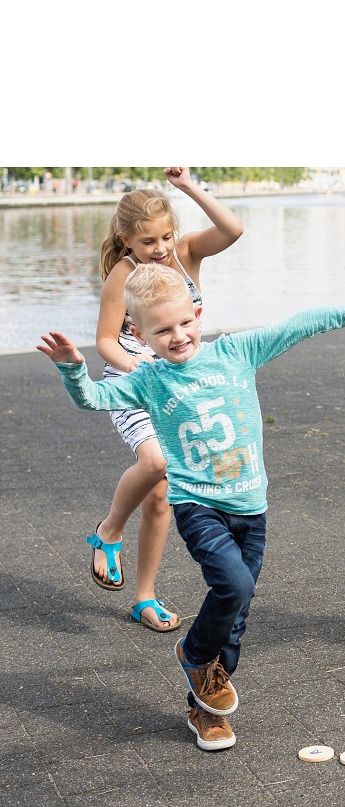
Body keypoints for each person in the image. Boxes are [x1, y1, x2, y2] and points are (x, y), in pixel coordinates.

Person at [40, 264, 345, 750]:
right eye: (162, 330)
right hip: (198, 504)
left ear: (198, 314)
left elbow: (301, 324)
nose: (177, 337)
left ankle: (205, 708)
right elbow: (91, 398)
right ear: (138, 335)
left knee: (237, 610)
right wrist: (72, 366)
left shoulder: (237, 351)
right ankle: (194, 655)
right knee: (233, 584)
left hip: (251, 505)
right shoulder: (148, 380)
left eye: (183, 324)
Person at [87, 167, 244, 634]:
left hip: (180, 381)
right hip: (135, 381)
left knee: (162, 498)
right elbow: (105, 343)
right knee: (154, 462)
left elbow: (233, 230)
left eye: (166, 236)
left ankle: (144, 597)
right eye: (149, 241)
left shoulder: (187, 253)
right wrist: (143, 371)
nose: (160, 248)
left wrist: (189, 187)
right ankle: (108, 530)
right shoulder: (124, 274)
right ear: (127, 240)